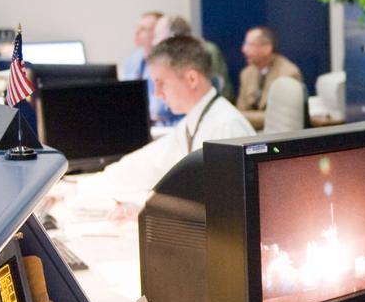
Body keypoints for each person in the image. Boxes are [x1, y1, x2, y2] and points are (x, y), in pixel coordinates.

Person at [68, 35, 253, 214]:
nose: (156, 93)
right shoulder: (196, 120)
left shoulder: (225, 127)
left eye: (161, 83)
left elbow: (219, 207)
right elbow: (146, 164)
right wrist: (80, 186)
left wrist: (148, 210)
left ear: (191, 79)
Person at [154, 13, 233, 103]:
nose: (154, 42)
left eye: (157, 36)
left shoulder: (206, 51)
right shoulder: (162, 60)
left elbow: (222, 90)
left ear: (172, 37)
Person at [236, 25, 303, 130]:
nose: (243, 50)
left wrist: (245, 116)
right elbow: (240, 112)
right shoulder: (246, 73)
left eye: (249, 45)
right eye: (244, 44)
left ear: (267, 48)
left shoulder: (288, 74)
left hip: (277, 138)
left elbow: (281, 119)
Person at [121, 10, 162, 81]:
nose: (136, 32)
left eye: (143, 29)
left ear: (157, 33)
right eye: (137, 28)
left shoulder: (165, 64)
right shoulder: (133, 59)